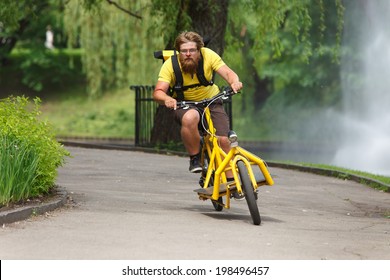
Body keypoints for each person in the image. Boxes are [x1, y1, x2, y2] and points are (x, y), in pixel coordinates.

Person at [153, 31, 243, 176]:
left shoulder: (208, 55)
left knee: (223, 140)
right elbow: (158, 92)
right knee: (190, 117)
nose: (188, 54)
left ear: (199, 50)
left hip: (212, 101)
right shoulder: (170, 64)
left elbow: (228, 73)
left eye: (192, 50)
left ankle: (232, 181)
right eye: (184, 51)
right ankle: (195, 158)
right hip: (185, 104)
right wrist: (166, 99)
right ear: (178, 52)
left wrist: (235, 82)